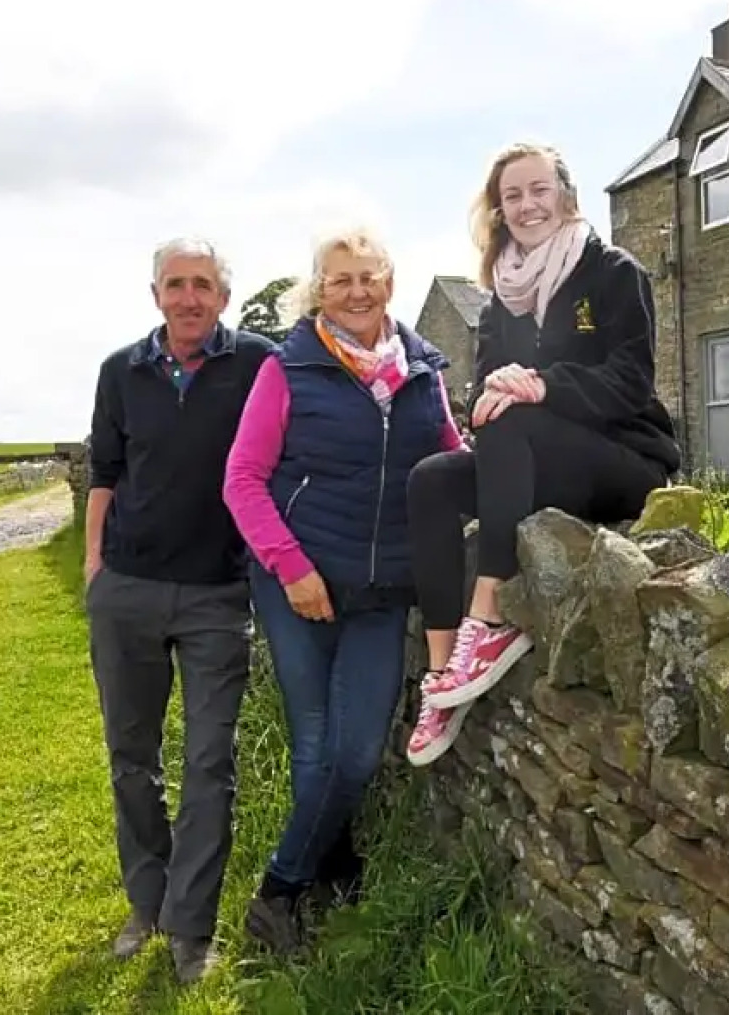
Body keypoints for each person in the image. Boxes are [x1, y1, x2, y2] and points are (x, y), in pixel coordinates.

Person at [222, 224, 463, 955]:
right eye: (339, 280)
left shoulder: (423, 369)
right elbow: (242, 480)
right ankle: (323, 874)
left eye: (369, 276)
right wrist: (292, 570)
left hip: (382, 588)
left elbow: (452, 458)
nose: (356, 291)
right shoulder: (288, 369)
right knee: (316, 740)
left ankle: (279, 889)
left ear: (389, 281)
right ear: (317, 291)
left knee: (356, 749)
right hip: (296, 582)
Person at [403, 143, 681, 766]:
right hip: (533, 455)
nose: (528, 205)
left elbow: (630, 381)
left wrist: (544, 386)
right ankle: (444, 671)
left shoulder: (613, 272)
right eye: (513, 195)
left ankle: (491, 618)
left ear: (564, 195)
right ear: (499, 210)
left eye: (539, 190)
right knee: (431, 481)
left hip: (625, 459)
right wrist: (492, 395)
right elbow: (481, 387)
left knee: (516, 410)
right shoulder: (501, 293)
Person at [84, 237, 274, 984]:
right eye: (175, 284)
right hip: (126, 588)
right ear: (155, 294)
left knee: (208, 762)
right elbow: (105, 472)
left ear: (223, 297)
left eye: (202, 284)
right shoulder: (119, 372)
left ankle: (192, 928)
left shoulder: (257, 364)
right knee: (132, 758)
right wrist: (94, 567)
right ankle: (147, 903)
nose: (188, 297)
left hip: (217, 594)